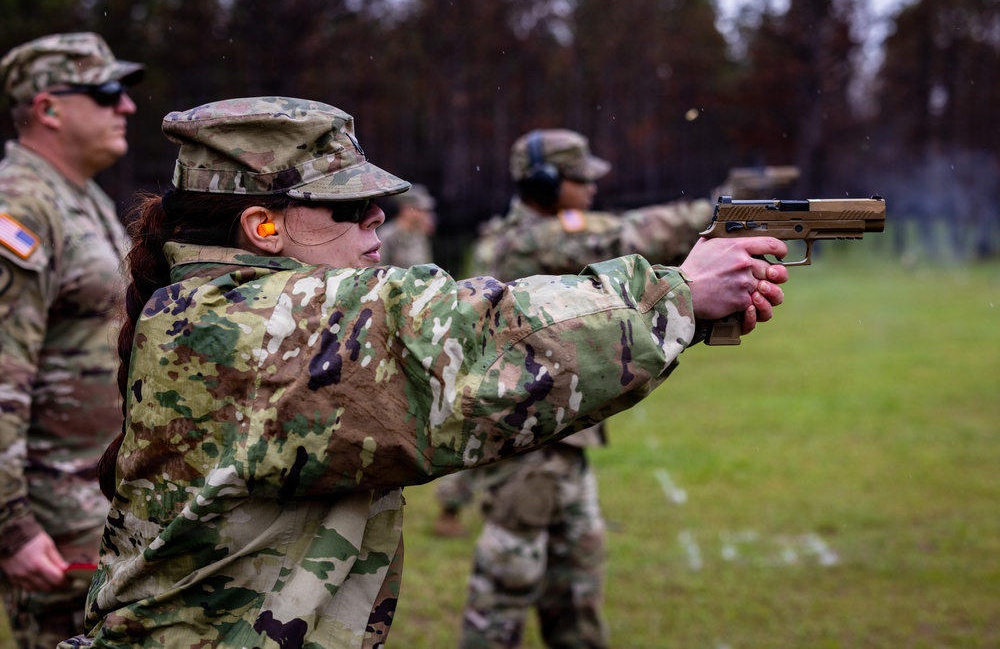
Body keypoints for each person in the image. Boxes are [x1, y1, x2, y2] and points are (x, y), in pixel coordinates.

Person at [57, 97, 787, 648]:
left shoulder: (214, 308)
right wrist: (679, 292)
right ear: (262, 226)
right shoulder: (247, 326)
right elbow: (468, 343)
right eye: (347, 204)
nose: (380, 215)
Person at [458, 128, 717, 649]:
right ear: (547, 183)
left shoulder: (540, 231)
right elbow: (629, 236)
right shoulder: (527, 238)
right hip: (523, 444)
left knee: (577, 588)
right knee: (507, 587)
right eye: (580, 179)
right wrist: (715, 212)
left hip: (562, 441)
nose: (592, 188)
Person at [0, 32, 143, 648]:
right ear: (48, 109)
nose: (126, 106)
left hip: (99, 505)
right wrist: (11, 525)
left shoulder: (78, 196)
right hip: (56, 519)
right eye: (107, 92)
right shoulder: (23, 206)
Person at [378, 183, 437, 267]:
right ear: (407, 210)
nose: (424, 215)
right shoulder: (387, 235)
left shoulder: (419, 234)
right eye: (420, 210)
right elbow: (378, 269)